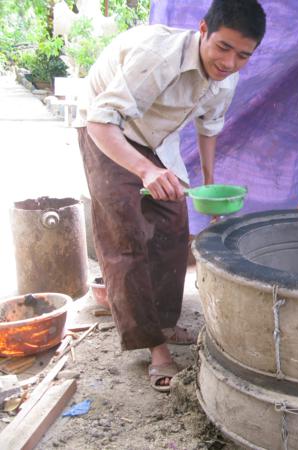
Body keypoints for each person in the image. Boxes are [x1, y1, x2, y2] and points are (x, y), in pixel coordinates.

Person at [76, 0, 266, 392]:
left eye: (243, 55)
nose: (230, 62)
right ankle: (154, 346)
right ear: (203, 30)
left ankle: (163, 321)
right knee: (125, 237)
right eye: (223, 47)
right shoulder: (159, 56)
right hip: (105, 130)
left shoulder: (225, 78)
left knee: (174, 227)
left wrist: (210, 186)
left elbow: (209, 128)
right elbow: (100, 120)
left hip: (155, 138)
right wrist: (145, 170)